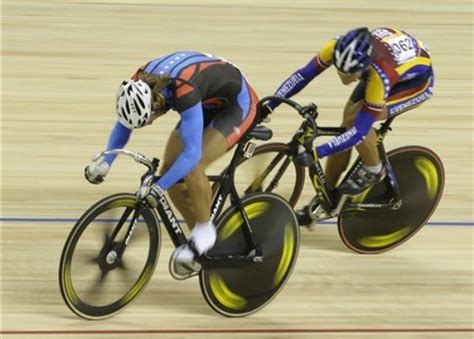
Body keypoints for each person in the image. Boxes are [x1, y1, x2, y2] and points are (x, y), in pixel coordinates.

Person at [84, 51, 258, 277]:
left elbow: (192, 155)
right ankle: (197, 244)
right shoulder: (139, 81)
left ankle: (205, 234)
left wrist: (159, 187)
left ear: (155, 107)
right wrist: (106, 162)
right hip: (205, 97)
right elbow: (124, 124)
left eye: (145, 123)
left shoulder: (182, 91)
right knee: (170, 172)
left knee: (192, 167)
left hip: (237, 104)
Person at [263, 27, 434, 225]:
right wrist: (270, 105)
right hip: (388, 64)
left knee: (355, 121)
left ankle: (374, 169)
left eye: (351, 73)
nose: (345, 78)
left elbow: (359, 132)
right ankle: (326, 197)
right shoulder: (334, 47)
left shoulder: (380, 76)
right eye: (339, 69)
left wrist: (318, 152)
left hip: (413, 84)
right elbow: (302, 76)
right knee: (348, 119)